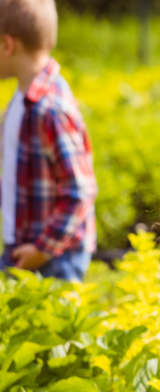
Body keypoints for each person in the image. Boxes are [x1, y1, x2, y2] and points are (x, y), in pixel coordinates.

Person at [0, 0, 96, 281]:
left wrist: (43, 249)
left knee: (52, 324)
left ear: (7, 45)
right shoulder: (21, 100)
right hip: (22, 244)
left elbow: (80, 190)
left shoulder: (49, 108)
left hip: (54, 256)